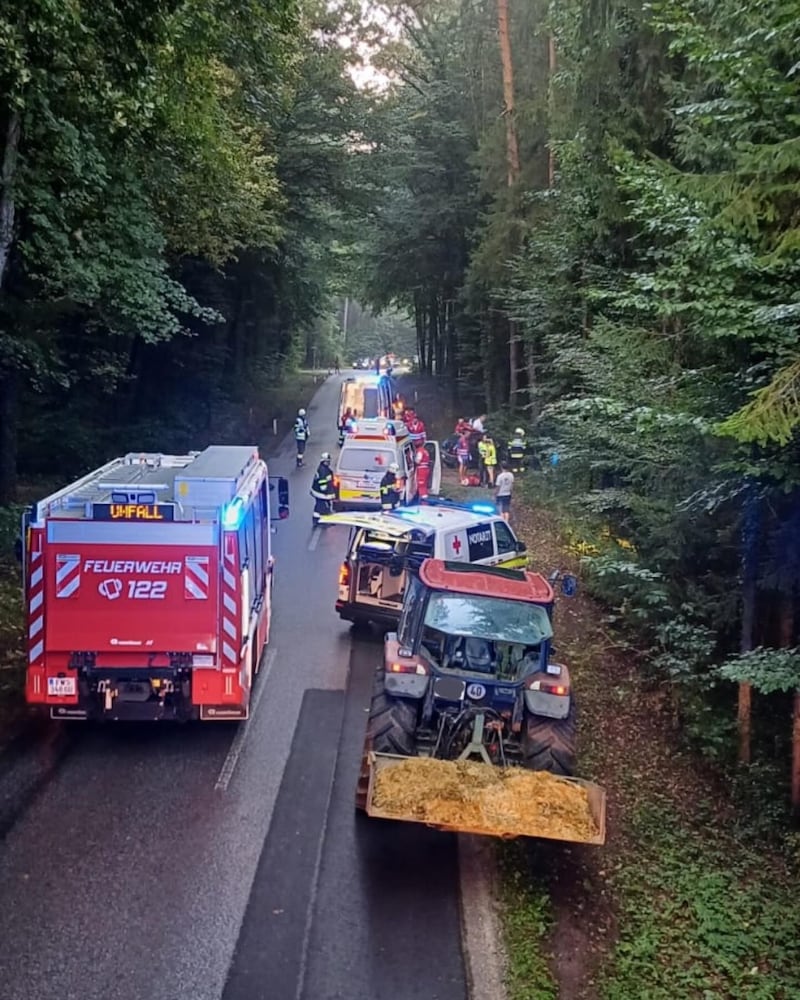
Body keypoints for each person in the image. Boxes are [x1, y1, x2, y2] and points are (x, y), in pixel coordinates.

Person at [310, 453, 335, 525]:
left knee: (319, 505)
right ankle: (324, 521)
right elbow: (323, 485)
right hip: (320, 493)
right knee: (324, 506)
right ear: (323, 461)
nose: (329, 462)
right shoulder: (323, 470)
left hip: (317, 491)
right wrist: (327, 493)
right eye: (327, 461)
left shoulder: (324, 468)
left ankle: (316, 519)